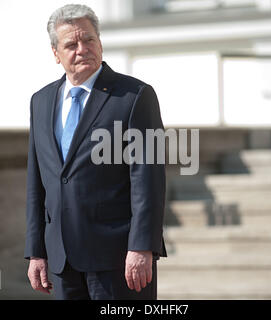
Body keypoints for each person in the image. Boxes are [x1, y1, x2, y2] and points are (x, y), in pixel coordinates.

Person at [24, 4, 166, 300]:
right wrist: (36, 251)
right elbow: (37, 183)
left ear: (100, 43)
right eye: (71, 44)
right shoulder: (40, 101)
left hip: (118, 260)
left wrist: (141, 247)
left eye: (88, 40)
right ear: (55, 53)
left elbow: (148, 179)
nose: (82, 49)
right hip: (62, 259)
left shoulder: (135, 96)